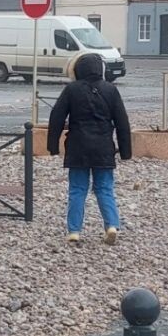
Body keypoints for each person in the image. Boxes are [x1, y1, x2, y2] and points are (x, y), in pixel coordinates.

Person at [46, 53, 132, 244]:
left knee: (77, 189)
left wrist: (52, 146)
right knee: (104, 188)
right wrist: (126, 151)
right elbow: (122, 122)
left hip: (77, 146)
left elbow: (56, 117)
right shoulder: (111, 90)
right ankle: (111, 225)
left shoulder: (71, 90)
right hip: (103, 147)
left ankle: (74, 231)